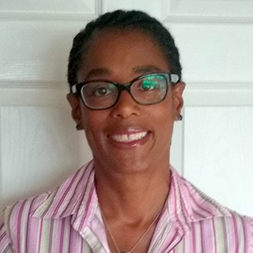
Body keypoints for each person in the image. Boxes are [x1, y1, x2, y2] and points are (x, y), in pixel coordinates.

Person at [0, 9, 252, 253]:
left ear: (176, 101)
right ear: (77, 109)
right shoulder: (20, 232)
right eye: (101, 90)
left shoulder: (238, 240)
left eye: (148, 84)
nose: (125, 107)